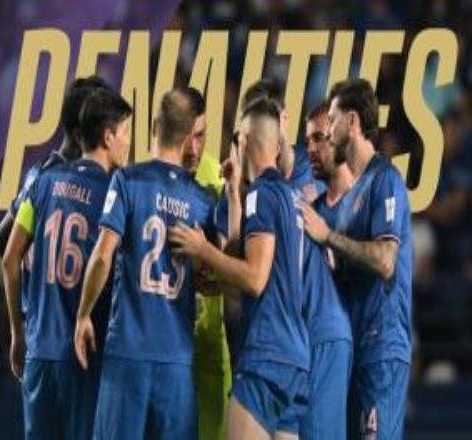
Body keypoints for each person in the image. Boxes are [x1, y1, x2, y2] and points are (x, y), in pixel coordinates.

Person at [74, 88, 216, 439]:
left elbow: (103, 255)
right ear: (189, 138)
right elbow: (213, 272)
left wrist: (83, 315)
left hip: (128, 354)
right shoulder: (202, 201)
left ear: (155, 126)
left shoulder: (127, 180)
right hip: (177, 360)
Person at [169, 99, 310, 440]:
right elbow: (269, 278)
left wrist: (202, 249)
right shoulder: (290, 197)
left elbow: (255, 278)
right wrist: (233, 194)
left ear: (244, 141)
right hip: (295, 360)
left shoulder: (261, 194)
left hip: (266, 354)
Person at [1, 85, 132, 440]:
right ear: (107, 137)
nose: (128, 142)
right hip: (83, 355)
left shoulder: (43, 182)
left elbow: (9, 257)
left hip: (39, 351)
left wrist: (17, 332)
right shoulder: (114, 194)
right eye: (125, 132)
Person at [301, 79, 412, 439]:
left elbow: (385, 261)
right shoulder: (352, 194)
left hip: (381, 347)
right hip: (354, 350)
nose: (328, 130)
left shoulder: (385, 179)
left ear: (352, 122)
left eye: (332, 120)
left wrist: (328, 237)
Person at [291, 102, 353, 439]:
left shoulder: (366, 199)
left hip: (337, 338)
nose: (311, 149)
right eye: (307, 141)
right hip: (309, 340)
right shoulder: (311, 210)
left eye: (319, 138)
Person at [181, 87, 232, 440]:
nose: (194, 147)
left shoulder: (217, 175)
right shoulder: (147, 178)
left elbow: (238, 256)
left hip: (211, 339)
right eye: (188, 136)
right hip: (168, 343)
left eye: (201, 136)